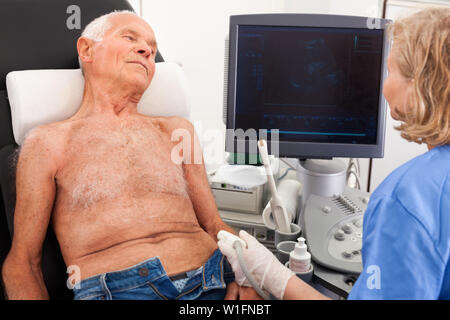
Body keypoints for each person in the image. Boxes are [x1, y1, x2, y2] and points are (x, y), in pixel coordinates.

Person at [1, 10, 256, 300]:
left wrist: (248, 277)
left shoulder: (176, 131)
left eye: (152, 49)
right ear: (87, 50)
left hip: (214, 280)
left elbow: (215, 226)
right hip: (121, 291)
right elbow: (23, 262)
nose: (147, 50)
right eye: (130, 38)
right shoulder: (48, 143)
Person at [219, 7, 450, 300]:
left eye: (390, 72)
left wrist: (272, 276)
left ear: (421, 85)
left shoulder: (407, 199)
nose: (382, 86)